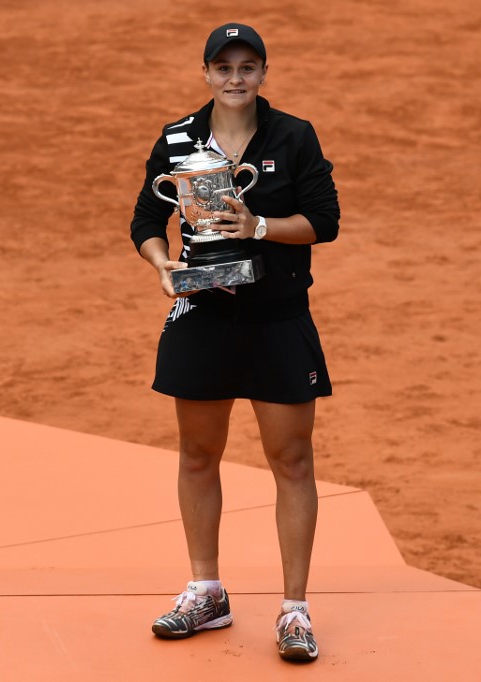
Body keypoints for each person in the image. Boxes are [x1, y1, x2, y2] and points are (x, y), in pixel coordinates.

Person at [129, 22, 339, 663]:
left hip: (277, 318)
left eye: (248, 67)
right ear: (207, 74)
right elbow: (145, 219)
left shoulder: (293, 136)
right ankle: (206, 592)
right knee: (197, 454)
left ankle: (294, 610)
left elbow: (323, 222)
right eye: (224, 67)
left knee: (292, 461)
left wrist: (259, 225)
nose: (236, 78)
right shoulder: (176, 140)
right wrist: (163, 265)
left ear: (263, 73)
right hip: (202, 315)